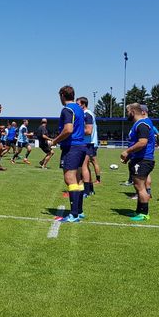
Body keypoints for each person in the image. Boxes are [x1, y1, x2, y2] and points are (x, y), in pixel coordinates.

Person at [50, 86, 87, 222]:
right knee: (78, 179)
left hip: (72, 147)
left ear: (62, 95)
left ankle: (74, 214)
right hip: (81, 146)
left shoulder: (67, 109)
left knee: (69, 178)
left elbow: (68, 129)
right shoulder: (79, 109)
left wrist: (54, 141)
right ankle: (79, 211)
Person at [120, 103, 156, 221]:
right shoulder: (140, 124)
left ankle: (144, 213)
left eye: (128, 112)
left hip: (143, 160)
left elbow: (142, 142)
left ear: (133, 112)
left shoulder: (142, 124)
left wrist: (127, 152)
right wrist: (130, 156)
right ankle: (139, 211)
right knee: (138, 186)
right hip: (139, 159)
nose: (127, 115)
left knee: (140, 186)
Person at [76, 97, 101, 196]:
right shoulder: (87, 114)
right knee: (85, 166)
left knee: (83, 167)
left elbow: (88, 131)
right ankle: (90, 189)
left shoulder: (87, 114)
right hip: (88, 143)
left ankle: (86, 191)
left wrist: (75, 132)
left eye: (78, 104)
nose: (77, 106)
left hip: (88, 143)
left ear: (83, 105)